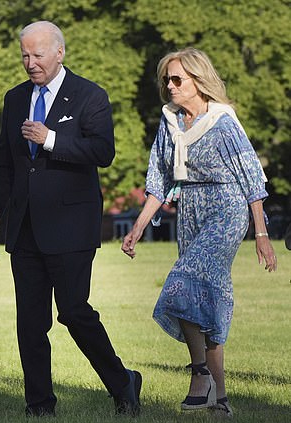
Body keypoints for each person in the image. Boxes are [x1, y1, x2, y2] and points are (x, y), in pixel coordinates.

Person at [0, 21, 141, 417]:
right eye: (25, 55)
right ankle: (39, 405)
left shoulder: (90, 95)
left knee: (74, 312)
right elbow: (4, 164)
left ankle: (122, 382)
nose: (31, 63)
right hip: (25, 228)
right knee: (30, 323)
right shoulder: (14, 99)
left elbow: (103, 151)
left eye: (38, 55)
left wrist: (49, 139)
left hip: (71, 227)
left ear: (59, 53)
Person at [121, 47, 277, 418]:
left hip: (227, 207)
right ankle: (219, 398)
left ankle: (200, 373)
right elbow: (158, 180)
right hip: (190, 208)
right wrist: (138, 227)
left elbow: (252, 177)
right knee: (206, 299)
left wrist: (261, 233)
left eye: (177, 79)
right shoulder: (170, 122)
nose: (170, 86)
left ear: (198, 80)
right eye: (166, 80)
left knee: (183, 283)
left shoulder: (223, 121)